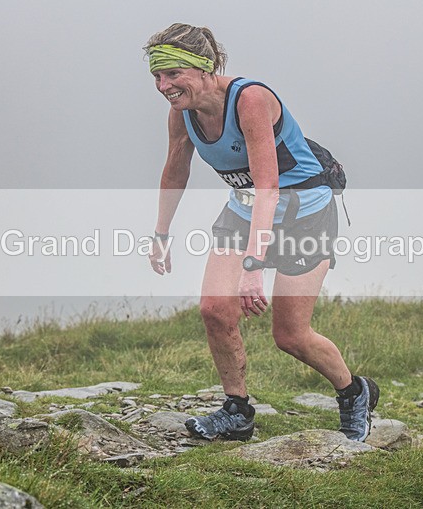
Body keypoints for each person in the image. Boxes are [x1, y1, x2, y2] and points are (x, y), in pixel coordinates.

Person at [144, 23, 378, 442]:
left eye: (173, 74)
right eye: (157, 77)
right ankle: (237, 411)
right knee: (215, 309)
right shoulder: (182, 114)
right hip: (246, 209)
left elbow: (268, 185)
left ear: (203, 67)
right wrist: (161, 233)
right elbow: (175, 170)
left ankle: (353, 391)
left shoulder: (250, 100)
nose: (164, 86)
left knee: (291, 335)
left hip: (304, 213)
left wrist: (253, 266)